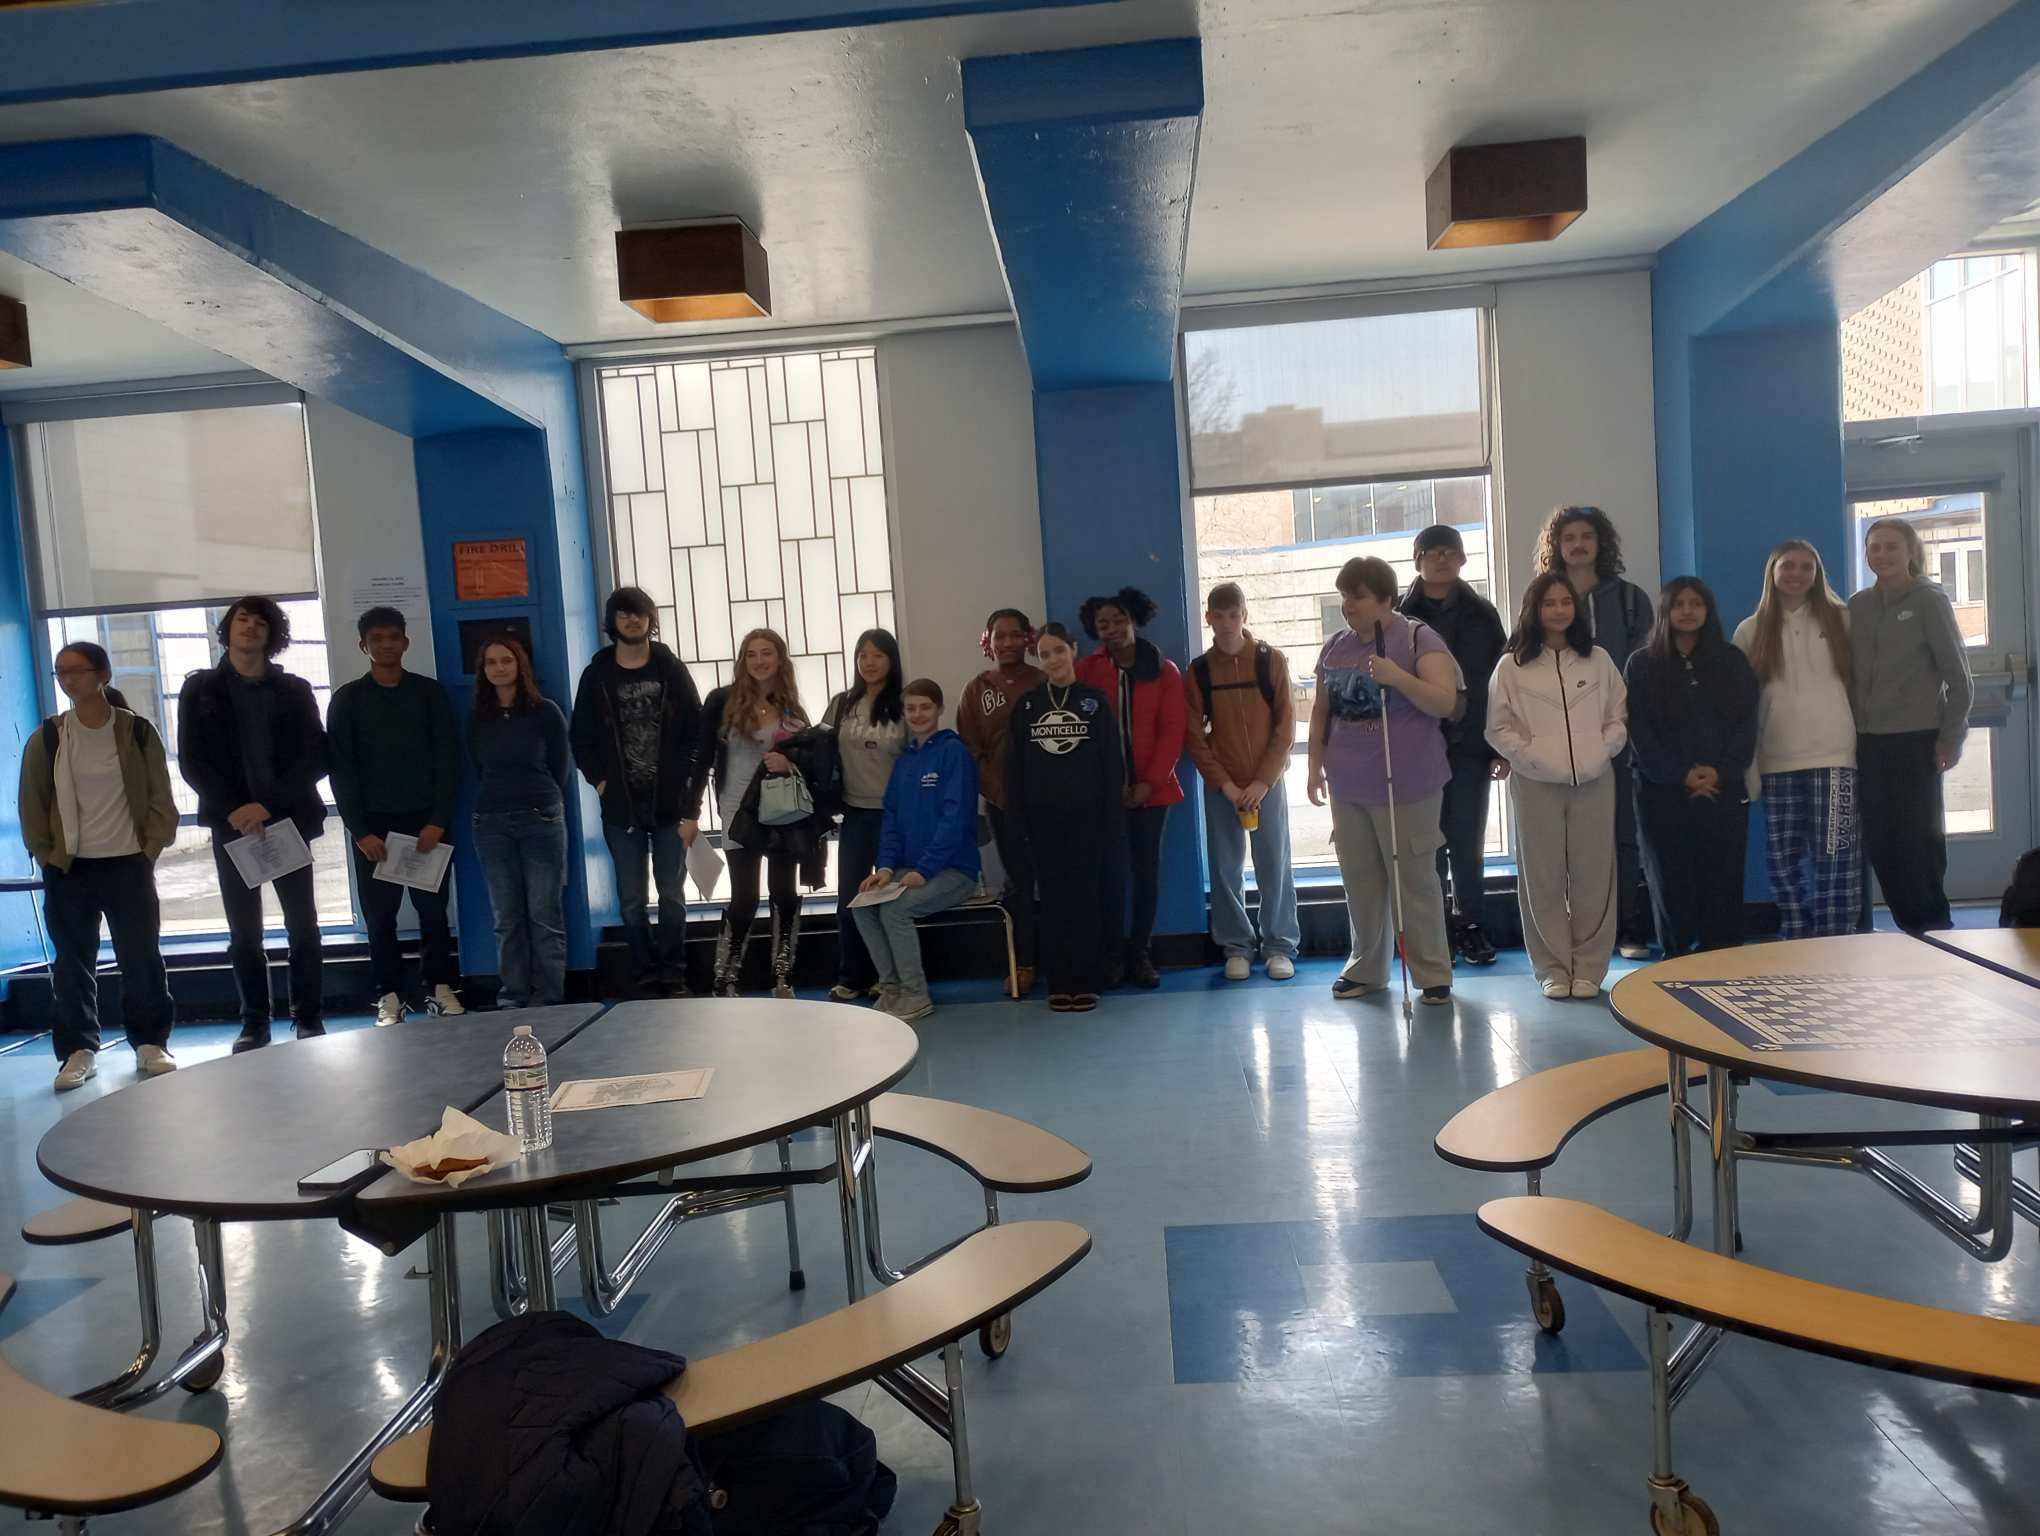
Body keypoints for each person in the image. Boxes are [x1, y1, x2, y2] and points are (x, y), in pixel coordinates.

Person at [21, 642, 179, 1091]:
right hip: (69, 868)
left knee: (142, 957)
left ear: (103, 674)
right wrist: (47, 855)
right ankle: (78, 1050)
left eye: (78, 670)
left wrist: (150, 848)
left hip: (128, 863)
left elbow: (159, 796)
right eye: (61, 672)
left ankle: (150, 1043)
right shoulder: (50, 736)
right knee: (73, 962)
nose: (69, 679)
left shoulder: (136, 732)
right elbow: (32, 801)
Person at [177, 595, 329, 1052]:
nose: (250, 628)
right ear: (227, 629)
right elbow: (192, 762)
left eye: (260, 622)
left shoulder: (295, 690)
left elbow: (315, 756)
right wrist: (235, 810)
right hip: (232, 828)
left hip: (287, 823)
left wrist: (266, 804)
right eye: (242, 619)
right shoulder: (200, 689)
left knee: (303, 926)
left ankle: (308, 1018)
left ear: (272, 635)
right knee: (244, 933)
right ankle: (254, 1022)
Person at [1306, 556, 1460, 1007]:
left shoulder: (1417, 637)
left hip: (1406, 782)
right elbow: (1321, 710)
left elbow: (1444, 702)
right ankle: (1367, 968)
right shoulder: (1335, 646)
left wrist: (1399, 678)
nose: (1347, 605)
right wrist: (1315, 765)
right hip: (1349, 783)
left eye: (1357, 596)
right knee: (1360, 879)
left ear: (1385, 599)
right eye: (1343, 596)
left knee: (1414, 878)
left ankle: (1432, 972)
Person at [1486, 572, 1629, 1000]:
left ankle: (1589, 967)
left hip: (1594, 782)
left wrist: (1601, 752)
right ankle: (1551, 967)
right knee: (1541, 877)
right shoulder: (1512, 665)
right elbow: (1498, 727)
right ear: (1534, 609)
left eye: (1566, 602)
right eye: (1549, 603)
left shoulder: (1598, 660)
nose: (1559, 610)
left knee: (1594, 876)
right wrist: (1531, 757)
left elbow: (1617, 717)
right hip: (1535, 785)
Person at [328, 606, 464, 1025]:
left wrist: (438, 820)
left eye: (393, 638)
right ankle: (388, 996)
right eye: (377, 639)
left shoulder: (430, 693)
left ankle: (440, 989)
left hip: (427, 826)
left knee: (433, 913)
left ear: (406, 642)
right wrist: (360, 830)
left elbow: (448, 760)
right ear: (363, 646)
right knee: (380, 917)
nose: (386, 645)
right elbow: (341, 769)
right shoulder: (347, 700)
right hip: (375, 833)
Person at [1535, 505, 1655, 958]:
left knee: (1624, 834)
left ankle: (1629, 929)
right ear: (1557, 546)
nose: (1579, 544)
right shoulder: (1543, 597)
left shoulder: (1630, 599)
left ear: (1601, 543)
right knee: (1567, 842)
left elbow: (1646, 670)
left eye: (1587, 536)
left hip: (1618, 739)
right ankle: (1574, 933)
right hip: (1558, 742)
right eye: (1569, 538)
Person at [570, 587, 703, 995]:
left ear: (650, 619)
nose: (632, 620)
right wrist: (600, 780)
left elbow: (697, 733)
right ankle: (643, 972)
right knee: (630, 898)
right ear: (612, 623)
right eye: (624, 614)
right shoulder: (597, 674)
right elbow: (580, 737)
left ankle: (673, 971)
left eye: (639, 613)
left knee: (671, 895)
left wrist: (690, 801)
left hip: (669, 804)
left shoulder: (671, 670)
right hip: (621, 807)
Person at [1731, 540, 1863, 939]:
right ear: (1772, 573)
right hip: (1778, 761)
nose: (1797, 574)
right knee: (1782, 860)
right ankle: (1796, 935)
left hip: (1835, 757)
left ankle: (1835, 939)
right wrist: (1750, 767)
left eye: (1807, 567)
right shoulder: (1750, 630)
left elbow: (1861, 685)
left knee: (1835, 859)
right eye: (1788, 566)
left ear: (1817, 573)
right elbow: (1742, 707)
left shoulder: (1842, 620)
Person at [1849, 516, 1974, 935]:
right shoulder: (1858, 606)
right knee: (1882, 843)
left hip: (1917, 742)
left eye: (1891, 546)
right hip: (1868, 743)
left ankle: (1935, 929)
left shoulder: (1928, 599)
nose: (1882, 554)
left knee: (1919, 843)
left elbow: (1958, 678)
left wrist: (1950, 740)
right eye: (1875, 547)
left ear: (1910, 552)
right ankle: (1909, 929)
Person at [1624, 578, 1758, 957]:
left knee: (1723, 879)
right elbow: (1639, 730)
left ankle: (1725, 963)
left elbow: (1746, 724)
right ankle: (1676, 961)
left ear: (1708, 610)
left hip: (1723, 789)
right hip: (1661, 792)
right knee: (1669, 881)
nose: (1687, 611)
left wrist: (1721, 771)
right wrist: (1679, 774)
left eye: (1695, 603)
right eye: (1678, 604)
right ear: (1665, 611)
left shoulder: (1732, 661)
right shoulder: (1641, 664)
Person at [1398, 525, 1508, 966]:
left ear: (1462, 559)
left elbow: (1502, 683)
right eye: (1432, 552)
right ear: (1418, 561)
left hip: (1471, 746)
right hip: (1417, 746)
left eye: (1450, 552)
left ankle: (1472, 926)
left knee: (1467, 838)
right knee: (1426, 842)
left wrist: (1500, 743)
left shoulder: (1483, 614)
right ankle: (1434, 928)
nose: (1441, 560)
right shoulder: (1399, 616)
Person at [686, 628, 813, 998]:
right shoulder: (721, 701)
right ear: (743, 661)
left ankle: (783, 975)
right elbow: (701, 758)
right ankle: (725, 977)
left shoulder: (792, 707)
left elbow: (809, 760)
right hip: (736, 810)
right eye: (751, 654)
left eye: (766, 653)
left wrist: (788, 761)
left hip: (783, 811)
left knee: (783, 892)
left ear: (779, 659)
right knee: (744, 897)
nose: (759, 661)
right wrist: (690, 812)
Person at [1183, 582, 1298, 982]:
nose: (1228, 623)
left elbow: (1285, 727)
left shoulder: (1270, 661)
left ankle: (1280, 945)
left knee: (1274, 864)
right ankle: (1236, 946)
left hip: (1268, 785)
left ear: (1244, 615)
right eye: (1220, 615)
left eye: (1235, 615)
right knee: (1225, 866)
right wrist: (1226, 786)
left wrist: (1264, 782)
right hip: (1224, 788)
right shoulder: (1198, 671)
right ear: (1209, 618)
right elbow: (1194, 738)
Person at [1007, 623, 1125, 1011]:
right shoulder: (1027, 706)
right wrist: (1019, 819)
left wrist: (1110, 818)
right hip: (1044, 824)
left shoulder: (1094, 701)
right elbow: (1016, 767)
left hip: (1088, 822)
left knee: (1086, 900)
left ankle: (1087, 980)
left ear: (1073, 651)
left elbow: (1111, 763)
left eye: (1059, 650)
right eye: (1044, 654)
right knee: (1054, 902)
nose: (1053, 660)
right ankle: (1059, 981)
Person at [1075, 587, 1185, 988]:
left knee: (1145, 874)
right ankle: (1111, 955)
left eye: (1119, 620)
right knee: (1108, 875)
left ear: (1134, 619)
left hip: (1152, 795)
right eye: (1103, 624)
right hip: (1102, 796)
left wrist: (1147, 784)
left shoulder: (1165, 670)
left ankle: (1139, 953)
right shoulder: (1086, 671)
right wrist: (1105, 787)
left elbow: (1173, 733)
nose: (1112, 629)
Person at [854, 679, 981, 1021]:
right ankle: (891, 987)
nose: (918, 714)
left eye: (925, 707)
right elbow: (891, 820)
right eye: (911, 708)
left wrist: (925, 869)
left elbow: (954, 819)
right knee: (863, 907)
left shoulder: (954, 753)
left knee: (896, 911)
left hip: (954, 871)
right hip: (908, 869)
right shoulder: (905, 761)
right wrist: (883, 869)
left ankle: (916, 994)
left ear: (939, 709)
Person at [470, 635, 572, 1008]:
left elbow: (560, 769)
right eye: (491, 662)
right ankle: (512, 996)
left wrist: (534, 797)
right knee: (507, 918)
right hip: (491, 824)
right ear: (483, 671)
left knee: (544, 915)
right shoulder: (478, 717)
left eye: (506, 661)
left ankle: (549, 997)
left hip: (541, 820)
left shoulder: (546, 712)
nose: (499, 668)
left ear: (520, 666)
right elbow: (479, 767)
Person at [958, 609, 1043, 995]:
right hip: (1003, 803)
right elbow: (972, 749)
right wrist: (1000, 792)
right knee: (1019, 883)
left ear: (1029, 638)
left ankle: (1062, 959)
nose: (1007, 642)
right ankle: (1023, 963)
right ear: (987, 641)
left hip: (1047, 803)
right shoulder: (976, 689)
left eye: (1015, 635)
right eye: (1000, 636)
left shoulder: (1044, 681)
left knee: (1057, 881)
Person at [822, 629, 906, 1002]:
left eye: (877, 655)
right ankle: (852, 976)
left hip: (896, 817)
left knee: (891, 901)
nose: (869, 663)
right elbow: (820, 749)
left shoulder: (905, 703)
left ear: (891, 660)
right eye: (862, 656)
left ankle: (888, 978)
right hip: (855, 814)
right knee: (850, 900)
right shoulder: (842, 704)